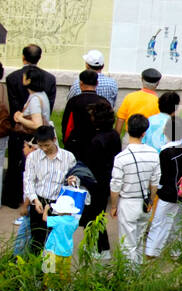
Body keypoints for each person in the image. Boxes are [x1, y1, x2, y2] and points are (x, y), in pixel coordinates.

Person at [4, 45, 58, 209]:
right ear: (39, 57)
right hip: (40, 131)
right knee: (36, 167)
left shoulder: (13, 77)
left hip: (21, 127)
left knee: (15, 162)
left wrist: (19, 117)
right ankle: (36, 199)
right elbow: (50, 103)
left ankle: (13, 199)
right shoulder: (49, 78)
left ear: (23, 57)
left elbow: (13, 103)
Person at [109, 114, 162, 264]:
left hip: (127, 203)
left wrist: (113, 206)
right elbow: (155, 181)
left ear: (127, 128)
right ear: (144, 132)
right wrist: (151, 200)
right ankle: (137, 273)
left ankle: (128, 278)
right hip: (145, 203)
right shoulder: (153, 154)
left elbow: (115, 185)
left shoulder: (121, 157)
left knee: (127, 244)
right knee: (139, 242)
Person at [20, 125, 77, 255]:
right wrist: (35, 200)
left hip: (59, 205)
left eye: (47, 145)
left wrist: (72, 180)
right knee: (37, 240)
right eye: (41, 146)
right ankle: (36, 272)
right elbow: (28, 181)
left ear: (54, 139)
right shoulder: (33, 157)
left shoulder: (68, 157)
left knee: (55, 242)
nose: (44, 149)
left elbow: (75, 179)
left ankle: (50, 271)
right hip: (39, 201)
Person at [81, 101, 119, 257]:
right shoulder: (114, 135)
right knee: (98, 214)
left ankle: (100, 248)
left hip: (95, 182)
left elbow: (90, 163)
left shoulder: (96, 140)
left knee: (93, 215)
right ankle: (97, 247)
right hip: (107, 180)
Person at [144, 138, 182, 261]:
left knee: (158, 223)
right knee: (176, 223)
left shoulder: (165, 152)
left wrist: (155, 192)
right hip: (181, 192)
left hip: (167, 193)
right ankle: (176, 251)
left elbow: (161, 176)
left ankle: (152, 251)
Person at [61, 70, 110, 161]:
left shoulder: (73, 102)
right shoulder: (103, 102)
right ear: (97, 83)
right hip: (99, 146)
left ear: (81, 84)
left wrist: (66, 142)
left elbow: (67, 126)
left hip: (77, 146)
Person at [42, 193, 80, 279]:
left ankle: (48, 287)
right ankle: (61, 288)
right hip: (67, 250)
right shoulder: (75, 221)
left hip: (52, 249)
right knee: (63, 272)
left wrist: (46, 210)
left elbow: (44, 218)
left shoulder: (58, 220)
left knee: (49, 271)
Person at [116, 68, 162, 135]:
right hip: (149, 138)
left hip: (130, 136)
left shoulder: (130, 97)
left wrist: (116, 138)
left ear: (142, 80)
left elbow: (120, 119)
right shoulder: (159, 102)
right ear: (157, 83)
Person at [13, 67, 51, 134]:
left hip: (33, 139)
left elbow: (37, 125)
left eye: (24, 77)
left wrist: (20, 119)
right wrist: (22, 114)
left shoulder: (35, 99)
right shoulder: (42, 94)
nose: (22, 78)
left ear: (28, 81)